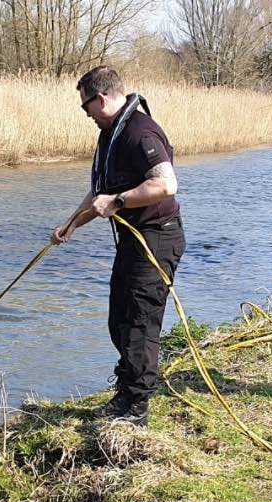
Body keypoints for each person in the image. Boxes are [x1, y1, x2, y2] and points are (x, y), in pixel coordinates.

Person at [51, 66, 185, 427]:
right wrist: (71, 225)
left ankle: (137, 409)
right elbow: (99, 192)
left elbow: (166, 185)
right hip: (131, 241)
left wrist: (119, 202)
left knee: (140, 323)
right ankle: (125, 395)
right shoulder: (110, 134)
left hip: (157, 238)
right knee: (120, 319)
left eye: (85, 106)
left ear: (101, 99)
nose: (86, 114)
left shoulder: (141, 132)